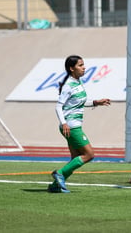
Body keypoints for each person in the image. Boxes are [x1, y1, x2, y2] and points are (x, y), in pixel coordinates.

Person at [48, 55, 111, 193]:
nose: (84, 68)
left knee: (75, 158)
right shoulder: (68, 85)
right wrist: (64, 123)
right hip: (71, 126)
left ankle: (55, 186)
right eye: (80, 65)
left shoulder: (77, 82)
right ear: (72, 68)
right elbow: (58, 106)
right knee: (89, 154)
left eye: (83, 65)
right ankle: (59, 173)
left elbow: (78, 103)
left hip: (73, 125)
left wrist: (96, 102)